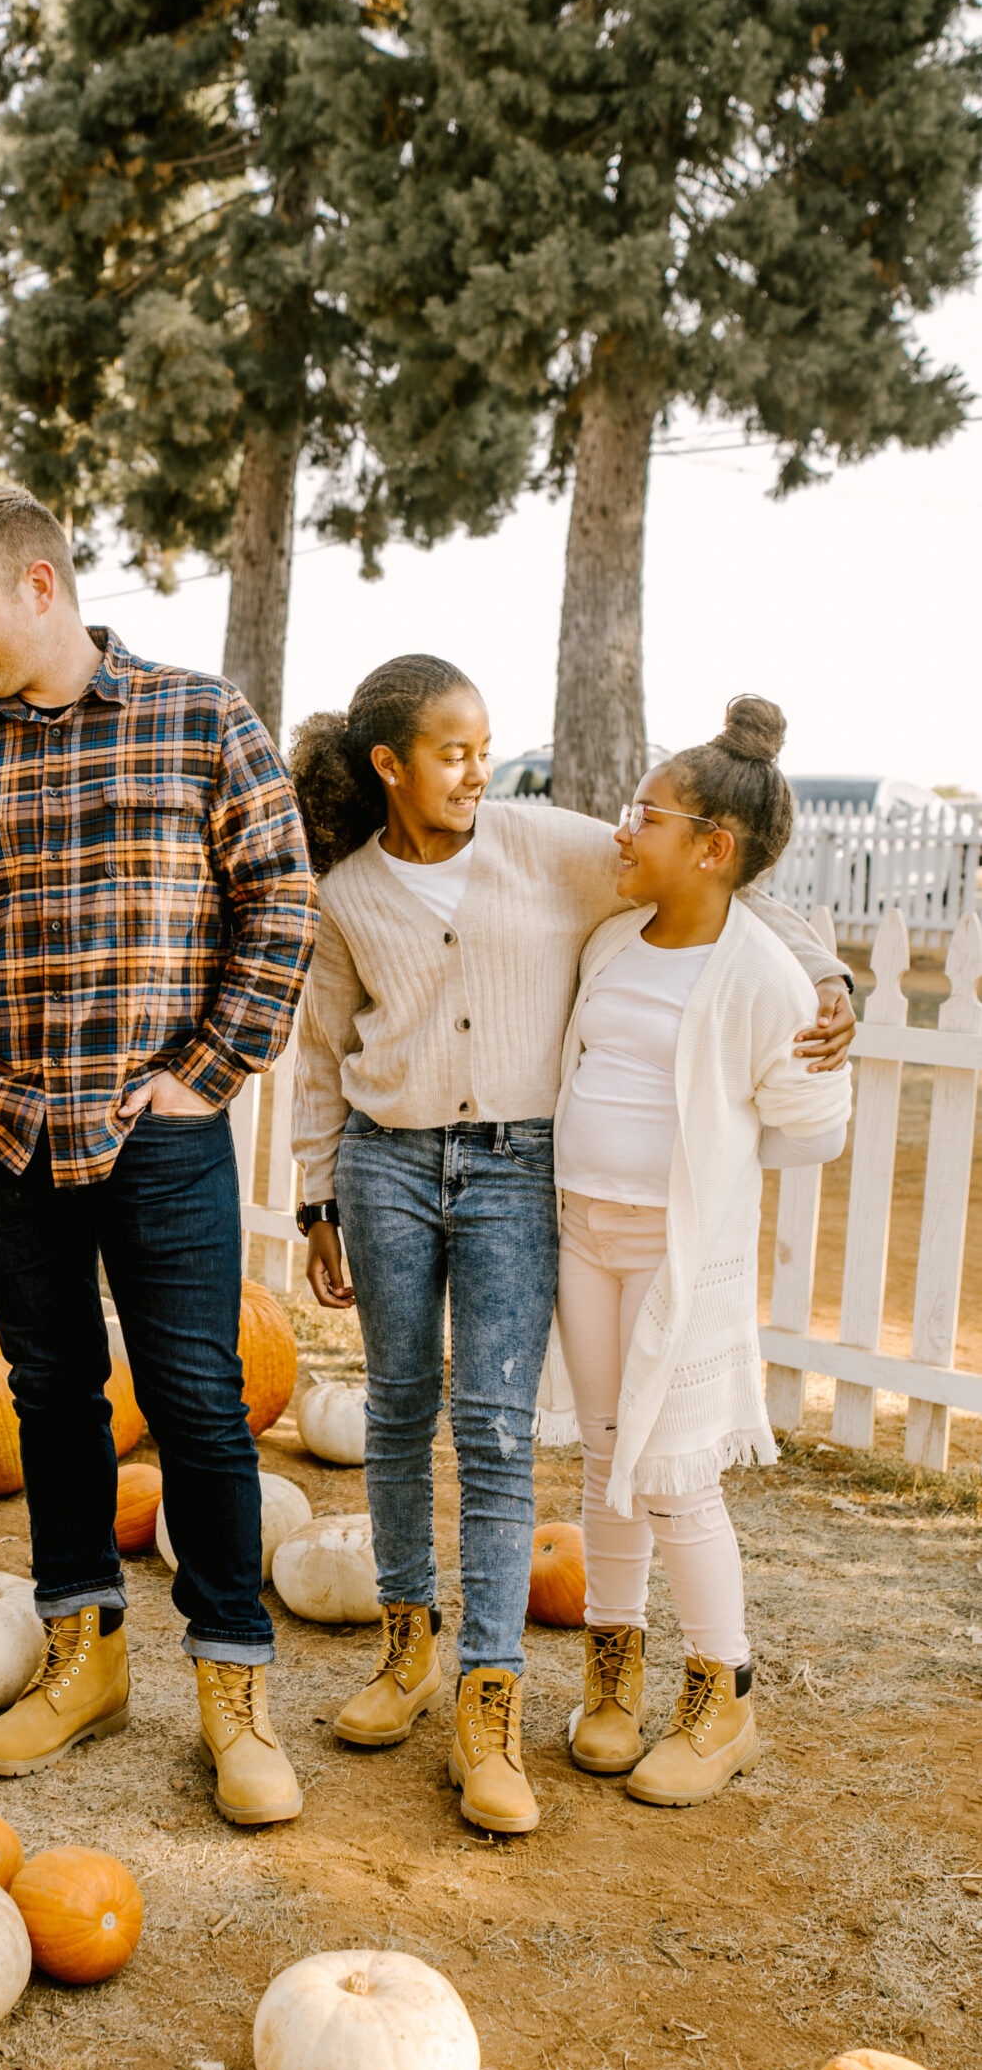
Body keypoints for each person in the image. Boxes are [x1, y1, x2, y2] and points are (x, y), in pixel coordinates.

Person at [289, 656, 855, 1836]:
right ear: (389, 764)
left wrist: (820, 964)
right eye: (449, 751)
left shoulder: (541, 843)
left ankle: (488, 1706)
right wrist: (313, 1193)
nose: (475, 769)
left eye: (483, 746)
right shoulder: (342, 891)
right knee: (396, 1411)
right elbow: (320, 1049)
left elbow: (719, 878)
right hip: (385, 1163)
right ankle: (410, 1652)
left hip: (511, 1170)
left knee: (494, 1428)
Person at [0, 485, 319, 1826]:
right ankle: (84, 1657)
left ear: (41, 587)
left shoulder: (200, 718)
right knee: (50, 1395)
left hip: (157, 1133)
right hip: (1, 1136)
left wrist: (208, 1074)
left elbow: (279, 898)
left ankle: (232, 1691)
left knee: (195, 1402)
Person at [556, 699, 849, 1804]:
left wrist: (825, 1016)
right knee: (604, 1457)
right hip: (583, 1238)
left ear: (711, 847)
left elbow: (811, 1124)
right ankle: (611, 1677)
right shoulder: (610, 937)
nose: (620, 830)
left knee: (674, 1477)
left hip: (675, 1259)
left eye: (644, 814)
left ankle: (721, 1700)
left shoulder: (761, 976)